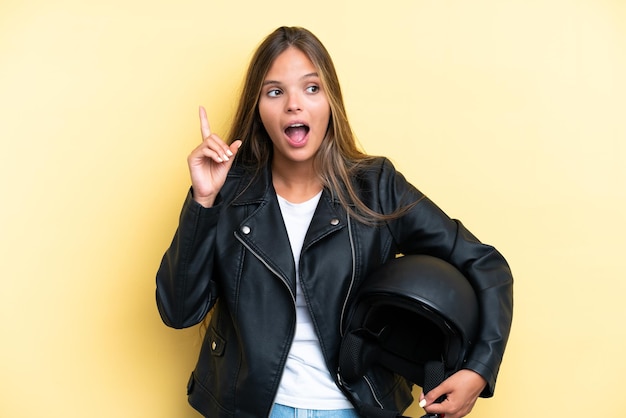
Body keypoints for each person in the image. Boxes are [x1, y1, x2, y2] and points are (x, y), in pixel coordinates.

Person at [156, 26, 513, 418]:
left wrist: (479, 370)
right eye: (275, 91)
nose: (294, 104)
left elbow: (487, 265)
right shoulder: (230, 191)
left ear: (330, 101)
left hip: (353, 408)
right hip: (252, 408)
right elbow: (179, 312)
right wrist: (204, 201)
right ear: (258, 108)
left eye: (311, 88)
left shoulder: (376, 186)